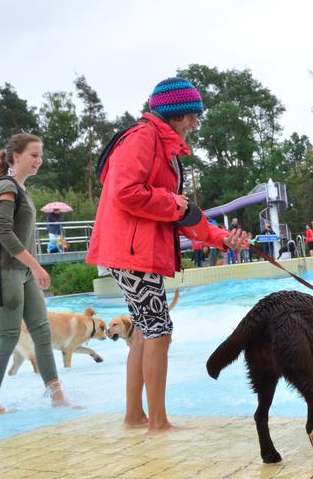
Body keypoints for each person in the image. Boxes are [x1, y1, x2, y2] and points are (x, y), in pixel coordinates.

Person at [86, 77, 248, 433]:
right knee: (158, 328)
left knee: (145, 328)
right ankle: (157, 422)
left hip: (133, 251)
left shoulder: (163, 145)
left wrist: (223, 239)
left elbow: (181, 214)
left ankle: (135, 417)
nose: (195, 124)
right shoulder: (143, 138)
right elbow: (127, 192)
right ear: (172, 113)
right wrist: (177, 204)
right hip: (131, 252)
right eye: (191, 115)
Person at [0, 132, 73, 415]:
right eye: (33, 155)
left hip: (23, 272)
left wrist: (31, 268)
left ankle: (58, 397)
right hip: (4, 272)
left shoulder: (20, 188)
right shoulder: (6, 187)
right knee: (8, 337)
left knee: (42, 333)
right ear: (15, 156)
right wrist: (35, 264)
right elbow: (2, 232)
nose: (39, 161)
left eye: (40, 156)